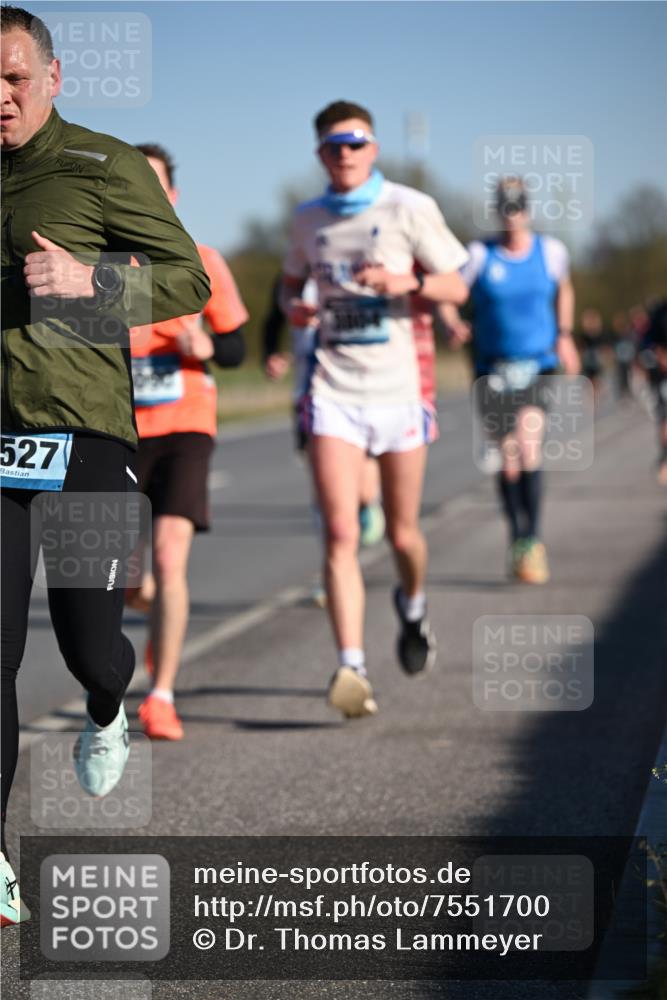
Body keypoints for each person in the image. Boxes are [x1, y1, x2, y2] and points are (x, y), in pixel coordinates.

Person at [0, 7, 210, 925]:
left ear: (53, 75)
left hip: (86, 433)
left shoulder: (103, 163)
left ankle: (107, 704)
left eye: (12, 76)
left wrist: (94, 281)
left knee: (91, 643)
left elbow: (189, 280)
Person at [282, 100, 468, 718]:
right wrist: (296, 309)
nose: (345, 154)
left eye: (355, 142)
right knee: (340, 532)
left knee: (403, 534)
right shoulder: (307, 220)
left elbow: (458, 284)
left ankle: (412, 610)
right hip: (334, 390)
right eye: (333, 146)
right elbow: (289, 286)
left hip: (401, 392)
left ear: (374, 148)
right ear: (320, 154)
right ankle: (352, 668)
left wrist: (408, 285)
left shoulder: (411, 208)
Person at [127, 143, 248, 740]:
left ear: (173, 195)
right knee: (126, 581)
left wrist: (207, 348)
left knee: (171, 559)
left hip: (185, 425)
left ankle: (161, 696)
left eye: (157, 184)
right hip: (118, 433)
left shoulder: (202, 261)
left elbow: (236, 347)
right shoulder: (96, 266)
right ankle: (151, 617)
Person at [443, 177, 580, 584]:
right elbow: (450, 292)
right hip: (492, 366)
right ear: (497, 209)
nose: (512, 213)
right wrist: (451, 321)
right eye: (505, 205)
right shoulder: (479, 256)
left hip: (538, 363)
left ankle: (532, 541)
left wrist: (566, 334)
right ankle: (516, 535)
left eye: (518, 205)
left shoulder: (552, 252)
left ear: (528, 208)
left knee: (528, 443)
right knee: (507, 459)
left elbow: (564, 290)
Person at [262, 273, 386, 586]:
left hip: (357, 392)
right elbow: (272, 322)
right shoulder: (291, 279)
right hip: (310, 395)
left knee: (363, 489)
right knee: (324, 491)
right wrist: (272, 356)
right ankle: (333, 569)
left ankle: (366, 506)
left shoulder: (356, 274)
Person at [637, 299, 667, 485]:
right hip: (663, 374)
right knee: (664, 418)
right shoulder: (660, 312)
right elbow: (647, 342)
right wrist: (660, 356)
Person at [577, 307, 610, 403]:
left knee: (595, 380)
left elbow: (603, 347)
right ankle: (592, 396)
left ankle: (595, 395)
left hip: (595, 359)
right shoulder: (584, 334)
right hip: (588, 359)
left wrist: (605, 356)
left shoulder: (599, 334)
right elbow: (581, 347)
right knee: (589, 380)